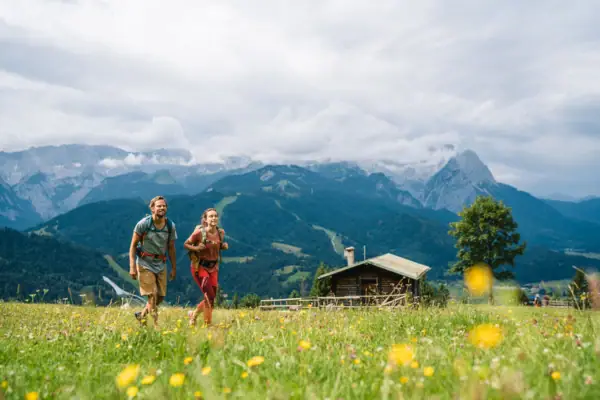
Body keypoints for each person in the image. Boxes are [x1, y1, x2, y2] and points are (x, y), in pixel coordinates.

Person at [129, 195, 177, 326]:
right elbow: (133, 246)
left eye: (164, 206)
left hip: (161, 263)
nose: (162, 208)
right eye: (159, 206)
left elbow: (171, 248)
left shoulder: (170, 226)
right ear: (152, 208)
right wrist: (132, 266)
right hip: (145, 262)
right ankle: (156, 326)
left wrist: (173, 267)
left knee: (160, 296)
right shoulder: (143, 224)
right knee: (153, 295)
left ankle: (142, 315)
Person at [184, 207, 228, 327]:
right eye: (211, 216)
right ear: (205, 219)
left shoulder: (221, 233)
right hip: (200, 267)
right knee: (210, 296)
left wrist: (223, 246)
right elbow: (186, 244)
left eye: (215, 216)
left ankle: (194, 315)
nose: (214, 218)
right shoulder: (199, 233)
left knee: (211, 298)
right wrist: (197, 248)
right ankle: (207, 325)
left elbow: (218, 246)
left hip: (214, 268)